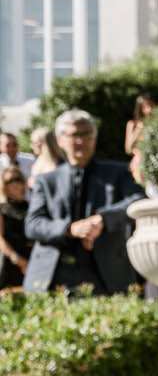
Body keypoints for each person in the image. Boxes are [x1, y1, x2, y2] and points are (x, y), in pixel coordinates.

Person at [24, 108, 144, 295]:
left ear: (94, 138)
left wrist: (102, 220)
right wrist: (70, 229)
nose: (80, 141)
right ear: (60, 140)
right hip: (52, 276)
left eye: (86, 134)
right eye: (73, 135)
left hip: (106, 275)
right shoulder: (46, 181)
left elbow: (138, 200)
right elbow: (33, 225)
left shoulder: (118, 173)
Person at [1, 162, 32, 290]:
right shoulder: (2, 209)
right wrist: (18, 261)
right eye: (10, 180)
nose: (15, 183)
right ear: (4, 186)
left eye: (18, 179)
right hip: (12, 262)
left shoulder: (32, 206)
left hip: (32, 260)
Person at [124, 93, 156, 186]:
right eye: (145, 107)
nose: (149, 109)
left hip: (154, 162)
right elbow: (128, 150)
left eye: (151, 105)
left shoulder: (157, 123)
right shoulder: (132, 124)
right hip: (139, 164)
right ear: (140, 109)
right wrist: (139, 129)